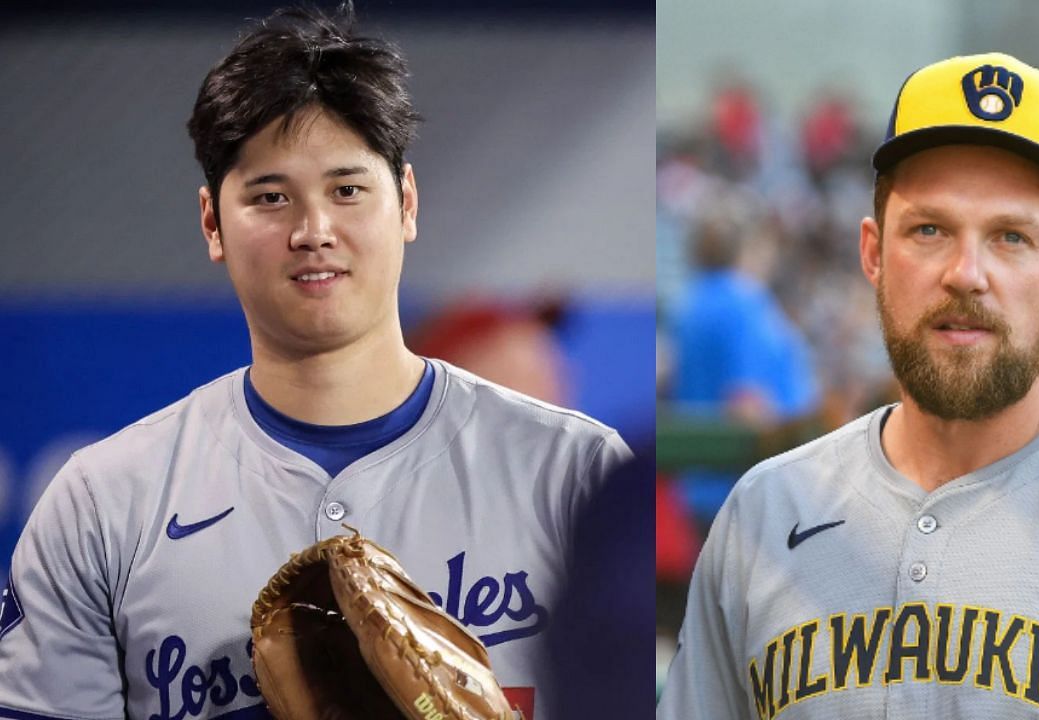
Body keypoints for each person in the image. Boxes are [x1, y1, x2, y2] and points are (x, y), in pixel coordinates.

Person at [0, 5, 629, 719]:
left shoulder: (578, 472)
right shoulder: (103, 505)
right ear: (212, 222)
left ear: (408, 202)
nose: (313, 231)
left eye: (348, 189)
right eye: (271, 197)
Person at [657, 52, 1039, 720]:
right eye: (929, 230)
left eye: (1011, 237)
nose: (966, 272)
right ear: (872, 253)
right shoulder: (761, 512)